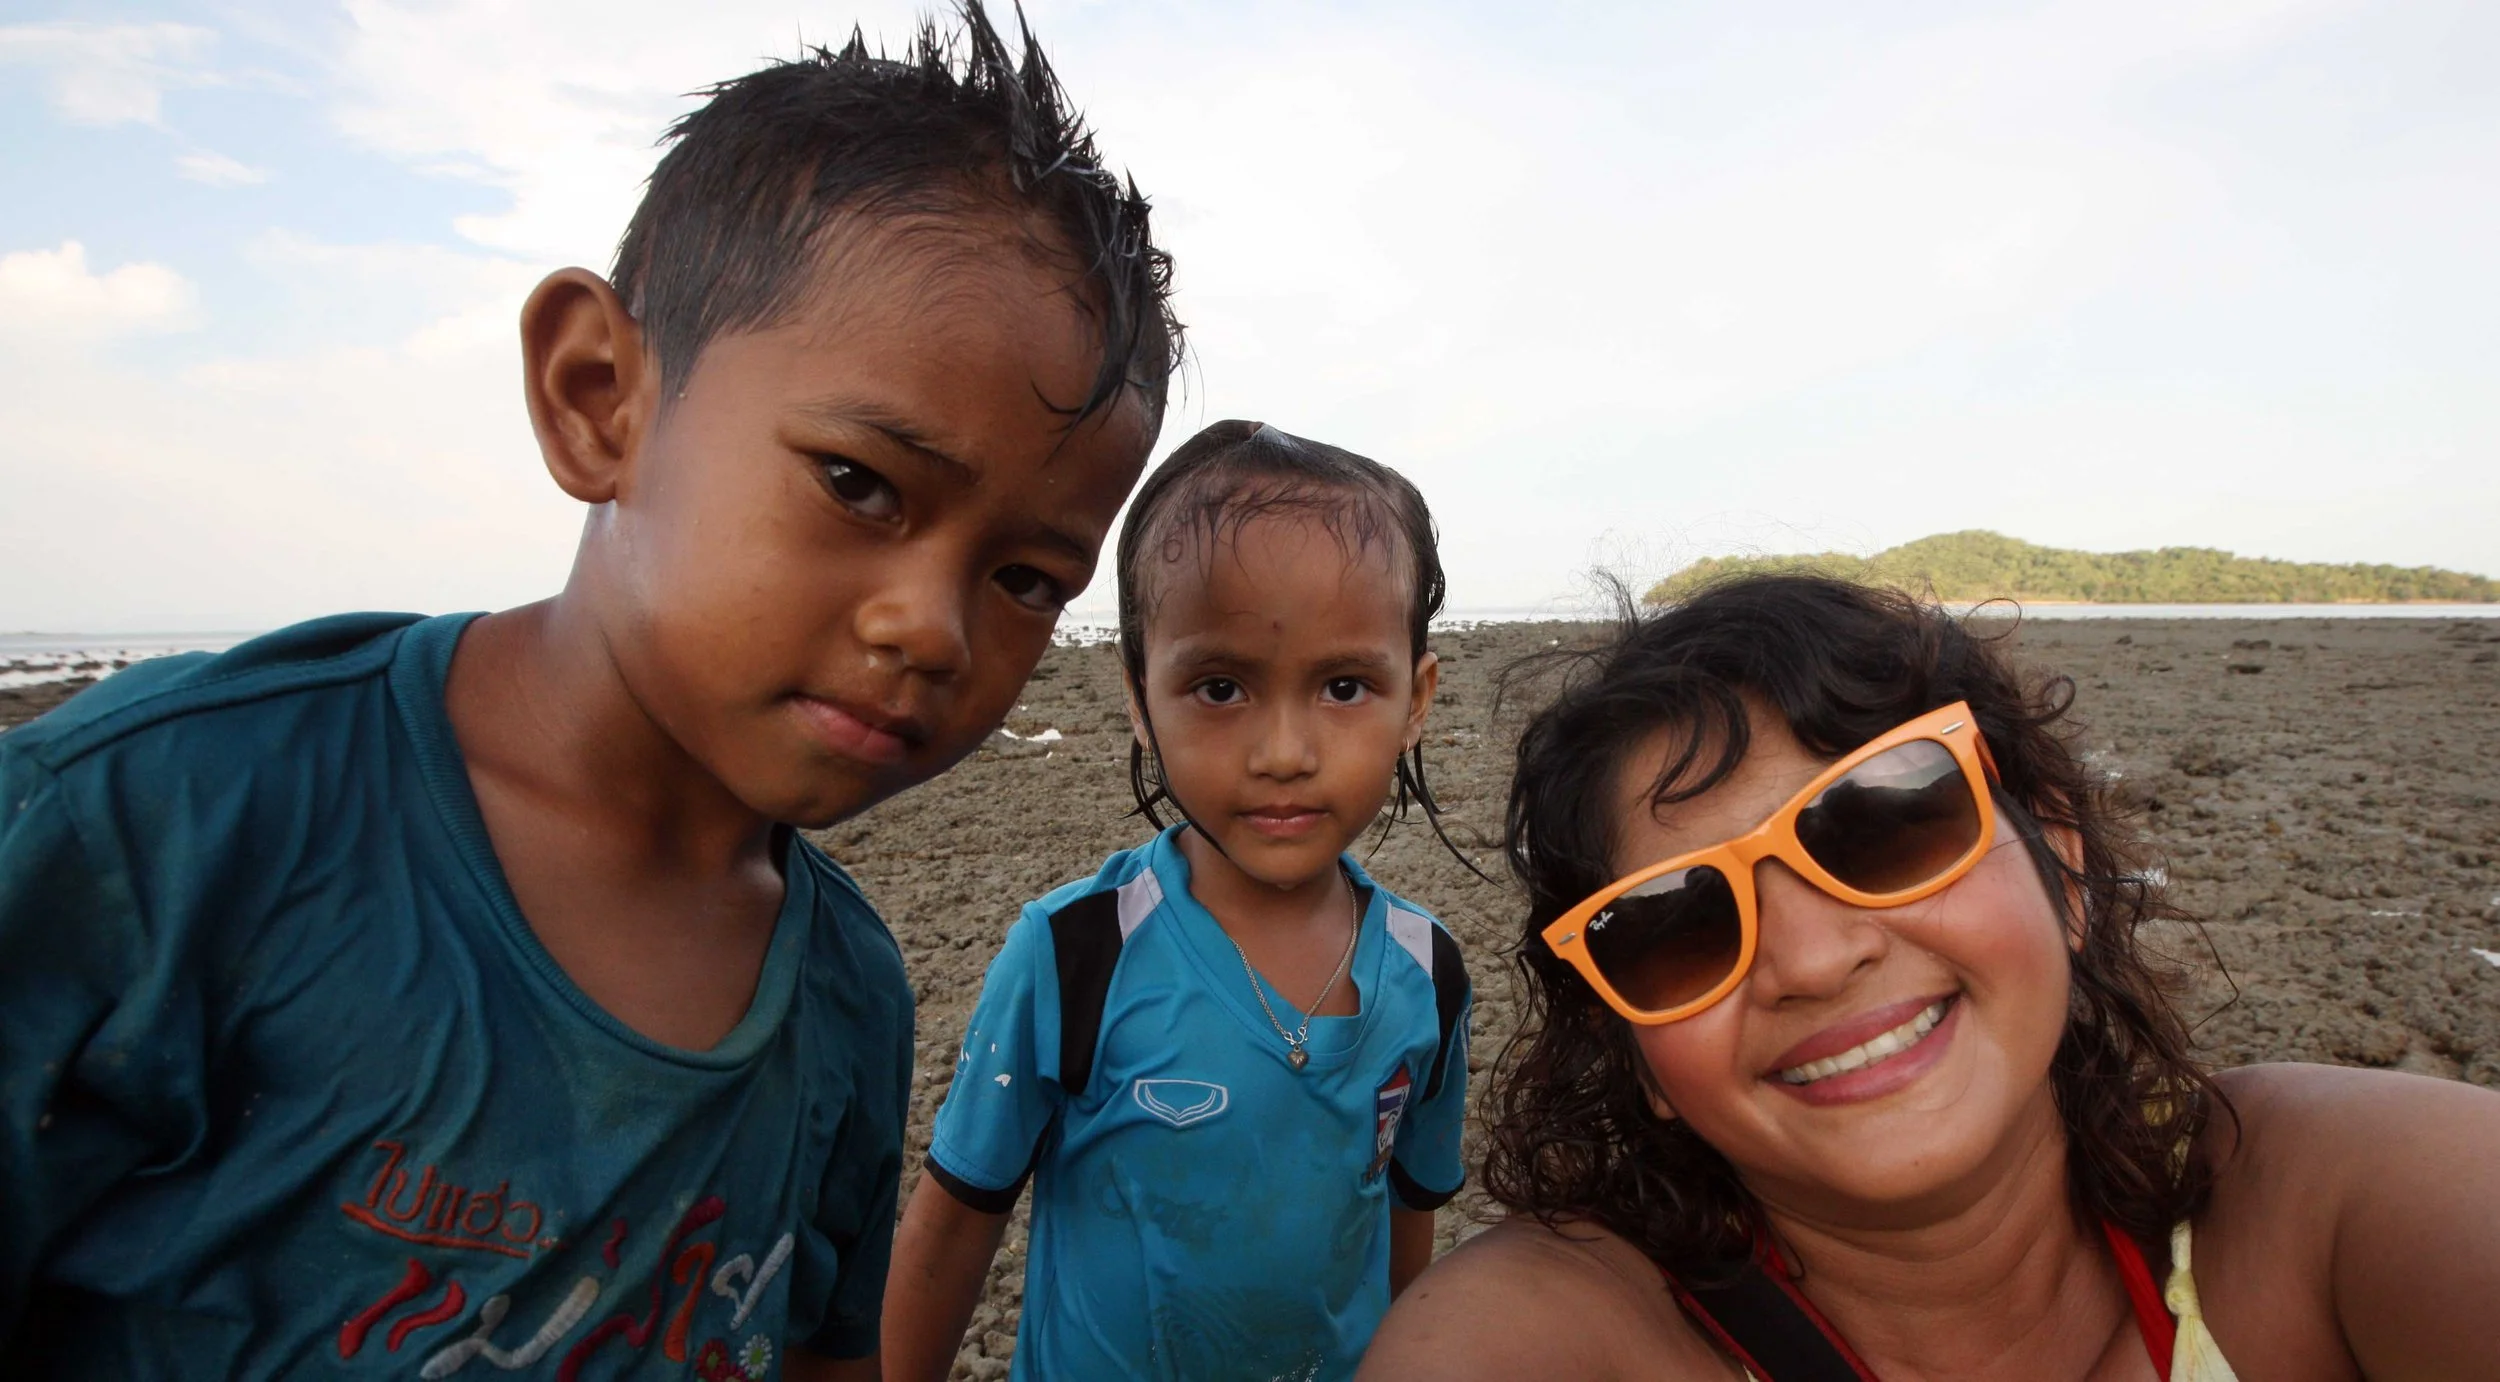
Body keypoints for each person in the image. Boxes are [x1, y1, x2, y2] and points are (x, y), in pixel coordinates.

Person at [0, 8, 1181, 1377]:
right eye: (859, 484)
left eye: (1027, 577)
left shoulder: (849, 991)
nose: (931, 627)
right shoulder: (153, 834)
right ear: (598, 396)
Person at [1360, 575, 2500, 1381]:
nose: (1814, 959)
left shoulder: (2329, 1206)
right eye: (1677, 924)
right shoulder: (1553, 1338)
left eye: (1883, 825)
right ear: (1633, 1044)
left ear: (2061, 867)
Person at [880, 420, 1476, 1381]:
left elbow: (1411, 1217)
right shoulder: (1075, 953)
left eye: (1343, 686)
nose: (1284, 753)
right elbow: (954, 1225)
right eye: (1221, 687)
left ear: (1415, 699)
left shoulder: (1428, 971)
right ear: (1139, 697)